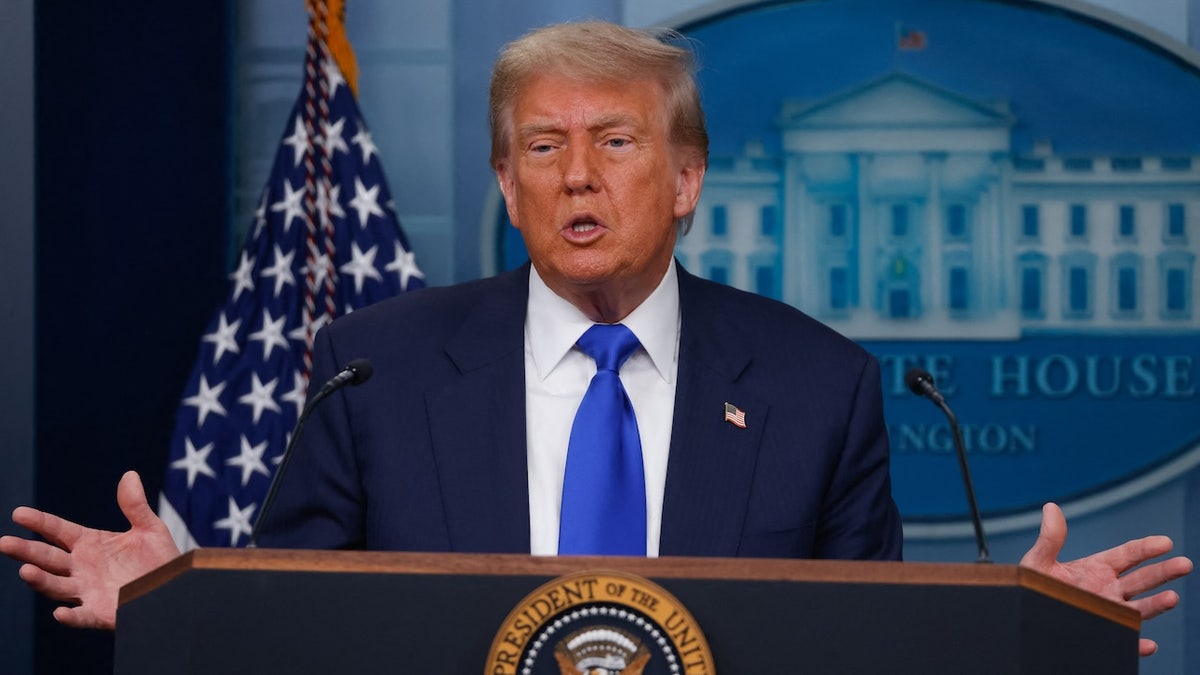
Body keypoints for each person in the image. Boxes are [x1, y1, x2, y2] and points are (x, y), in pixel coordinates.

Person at [2, 21, 1191, 657]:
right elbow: (300, 622)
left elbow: (860, 647)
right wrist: (184, 599)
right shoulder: (375, 366)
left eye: (615, 143)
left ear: (685, 178)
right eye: (540, 146)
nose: (577, 175)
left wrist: (1009, 631)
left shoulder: (816, 383)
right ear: (504, 183)